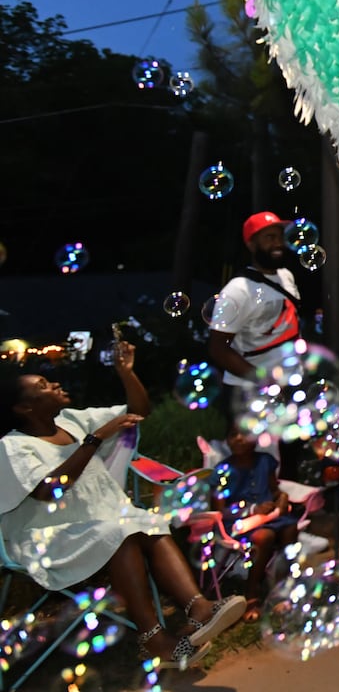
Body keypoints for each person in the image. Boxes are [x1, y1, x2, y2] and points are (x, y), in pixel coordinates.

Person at [0, 341, 245, 668]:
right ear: (24, 408)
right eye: (43, 386)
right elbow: (48, 490)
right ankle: (153, 640)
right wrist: (96, 439)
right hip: (44, 539)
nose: (55, 383)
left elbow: (138, 410)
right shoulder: (13, 446)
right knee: (120, 532)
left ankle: (199, 608)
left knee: (146, 521)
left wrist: (125, 373)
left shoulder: (73, 420)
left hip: (95, 525)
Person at [213, 423, 299, 621]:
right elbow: (220, 510)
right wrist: (251, 510)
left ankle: (281, 587)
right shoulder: (222, 470)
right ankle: (251, 593)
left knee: (290, 528)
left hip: (269, 519)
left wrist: (282, 497)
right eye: (233, 434)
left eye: (244, 433)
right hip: (238, 524)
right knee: (264, 536)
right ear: (227, 440)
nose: (239, 438)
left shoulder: (264, 461)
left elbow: (274, 489)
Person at [207, 212, 302, 389]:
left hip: (288, 384)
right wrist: (264, 381)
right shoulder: (238, 289)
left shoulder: (286, 276)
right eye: (270, 237)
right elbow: (218, 349)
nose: (278, 243)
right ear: (251, 244)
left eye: (280, 237)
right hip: (249, 390)